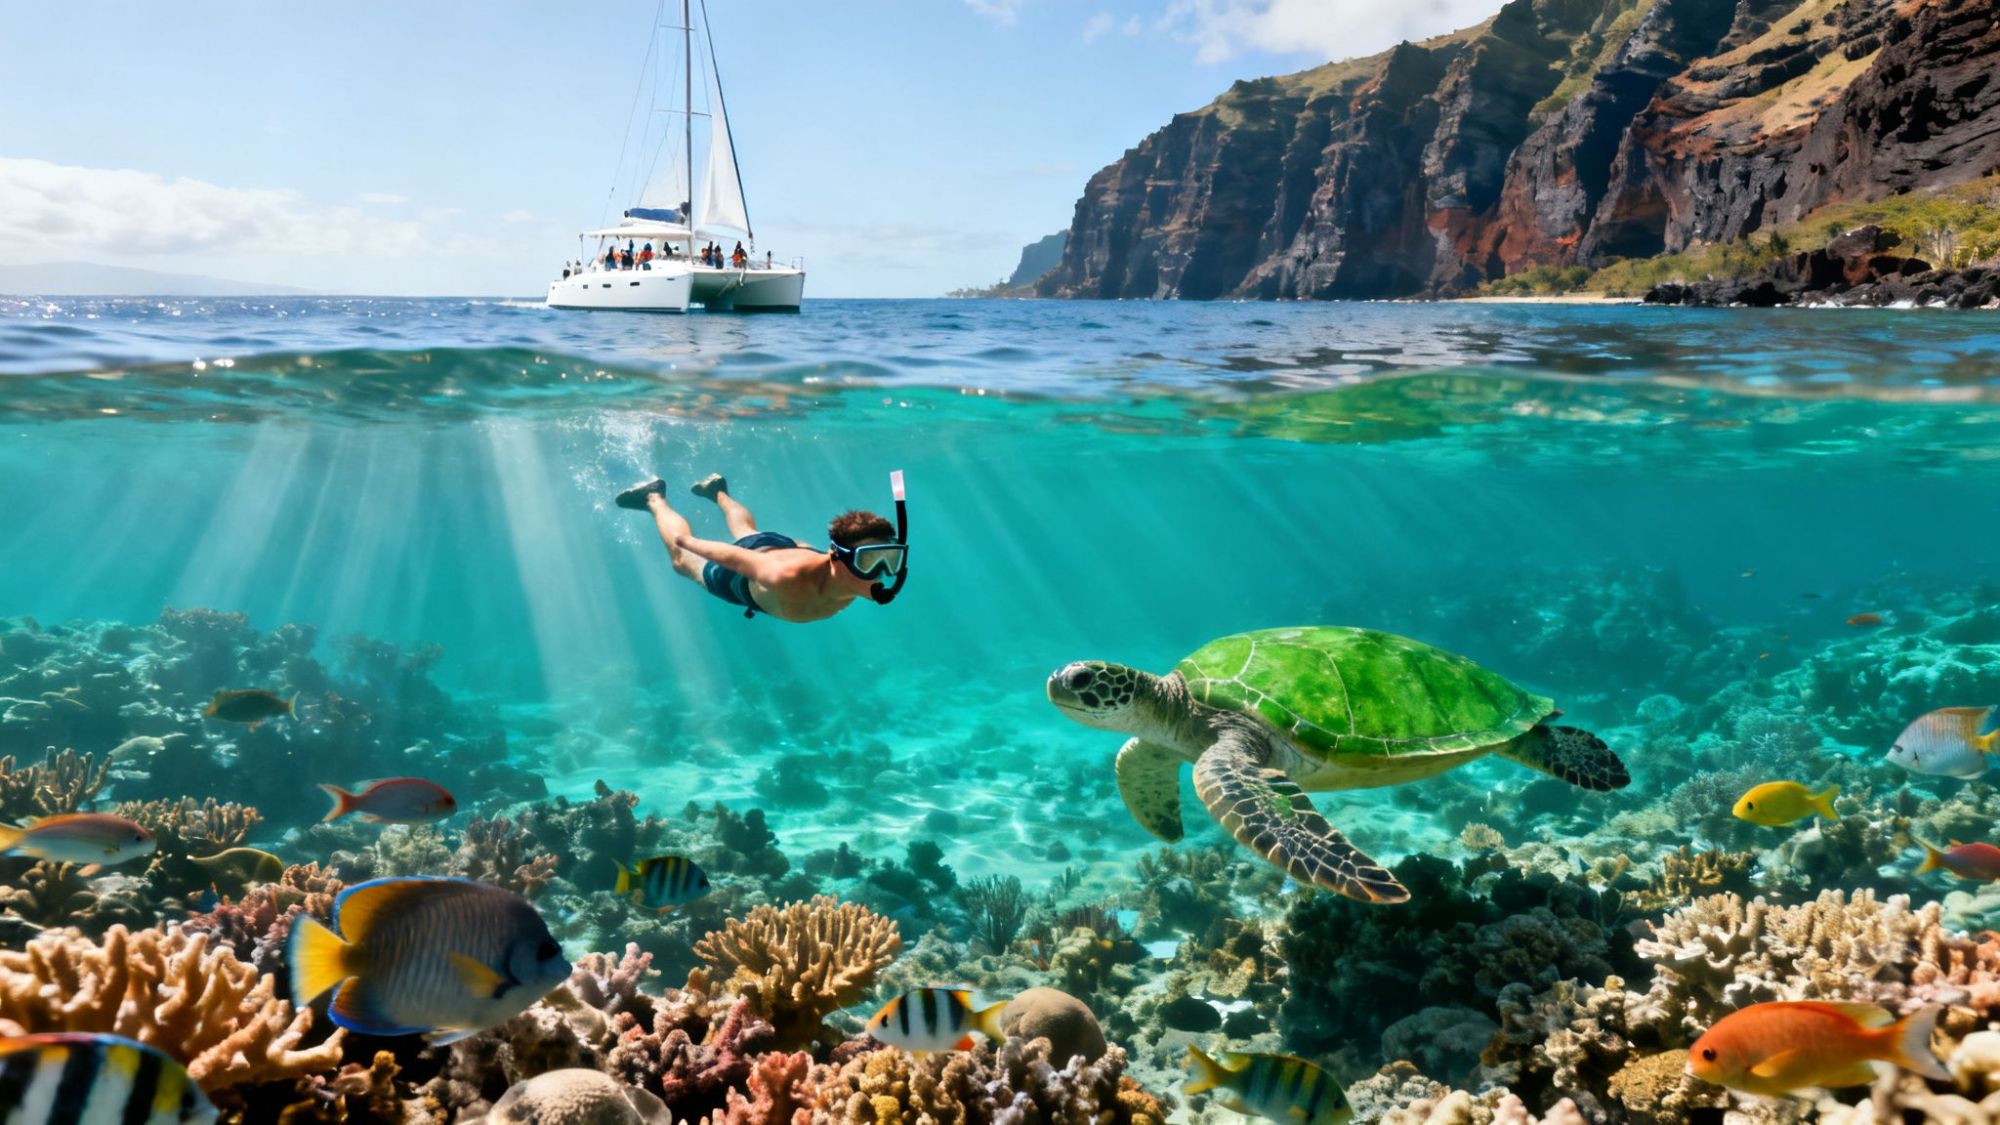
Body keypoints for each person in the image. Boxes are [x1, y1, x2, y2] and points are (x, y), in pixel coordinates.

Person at [615, 474, 904, 623]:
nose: (881, 573)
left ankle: (717, 490)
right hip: (742, 578)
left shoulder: (849, 577)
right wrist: (688, 543)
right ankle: (653, 496)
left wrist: (800, 547)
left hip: (784, 549)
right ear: (837, 559)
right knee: (682, 561)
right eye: (868, 561)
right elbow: (738, 557)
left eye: (890, 558)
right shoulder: (784, 575)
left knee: (748, 532)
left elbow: (815, 554)